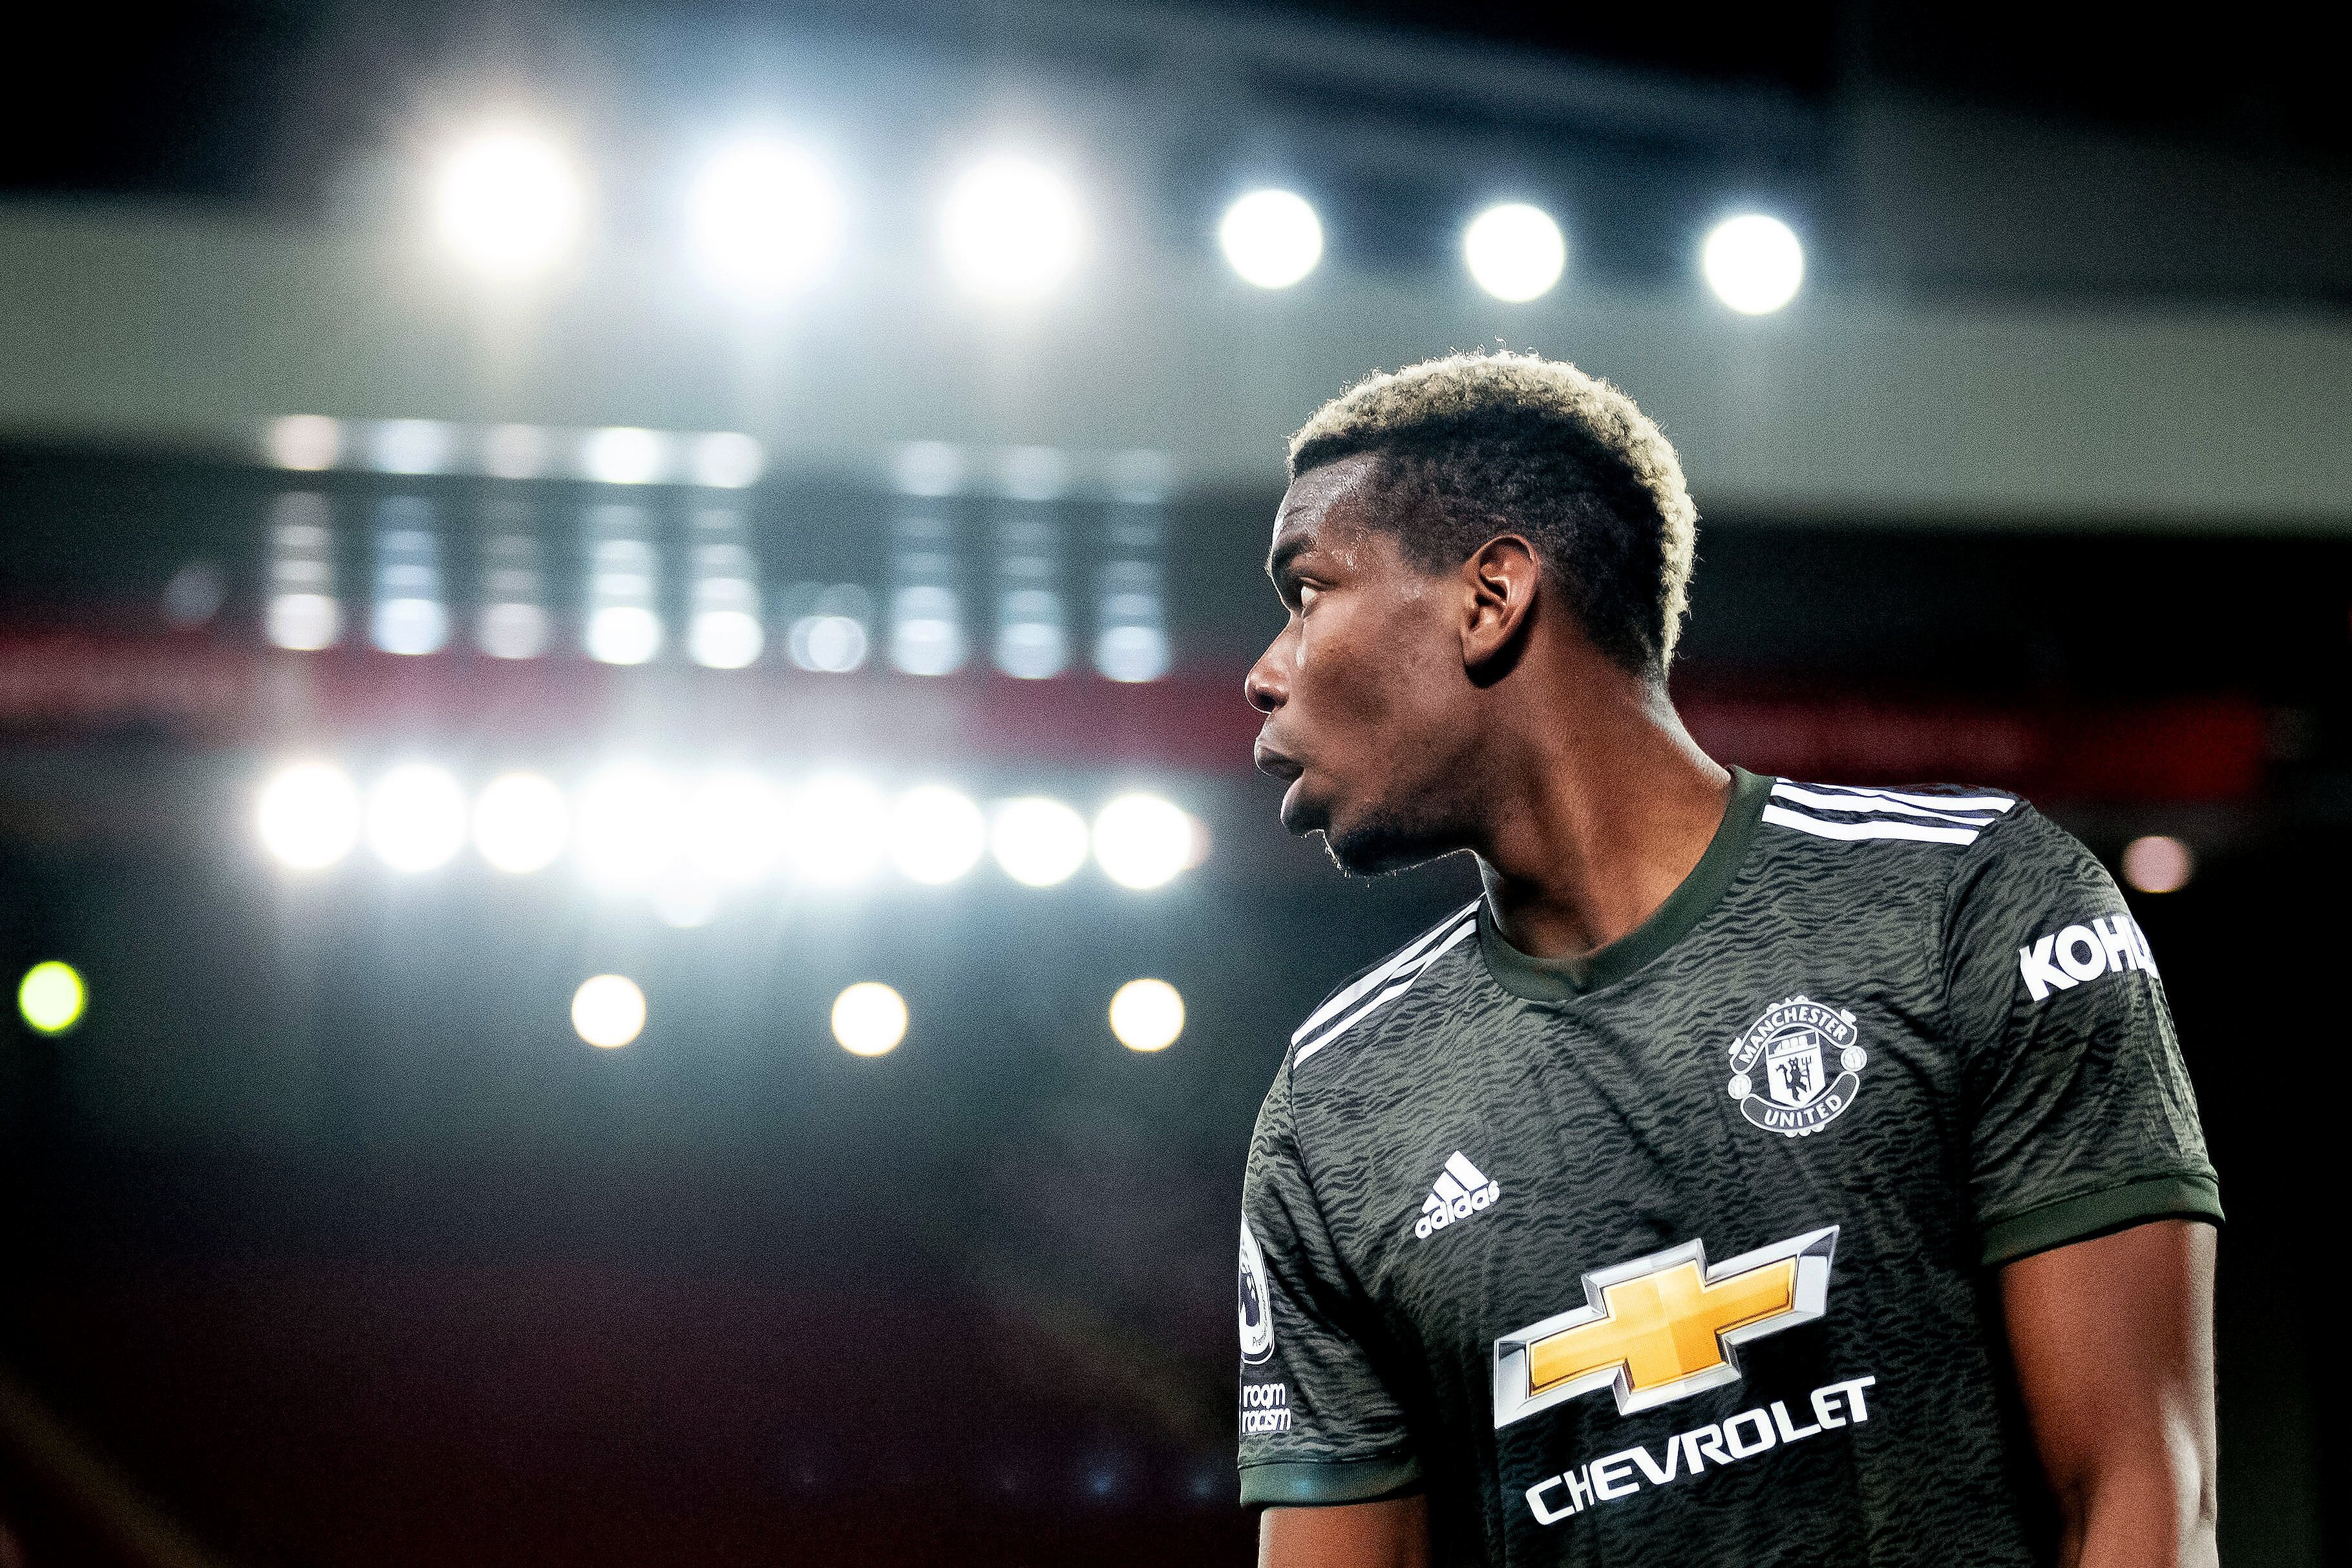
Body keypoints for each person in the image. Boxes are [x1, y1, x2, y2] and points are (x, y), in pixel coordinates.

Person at [1234, 352, 2220, 1567]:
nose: (1264, 673)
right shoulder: (1335, 1108)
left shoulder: (1969, 905)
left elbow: (2141, 1499)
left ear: (1490, 596)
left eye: (1306, 590)